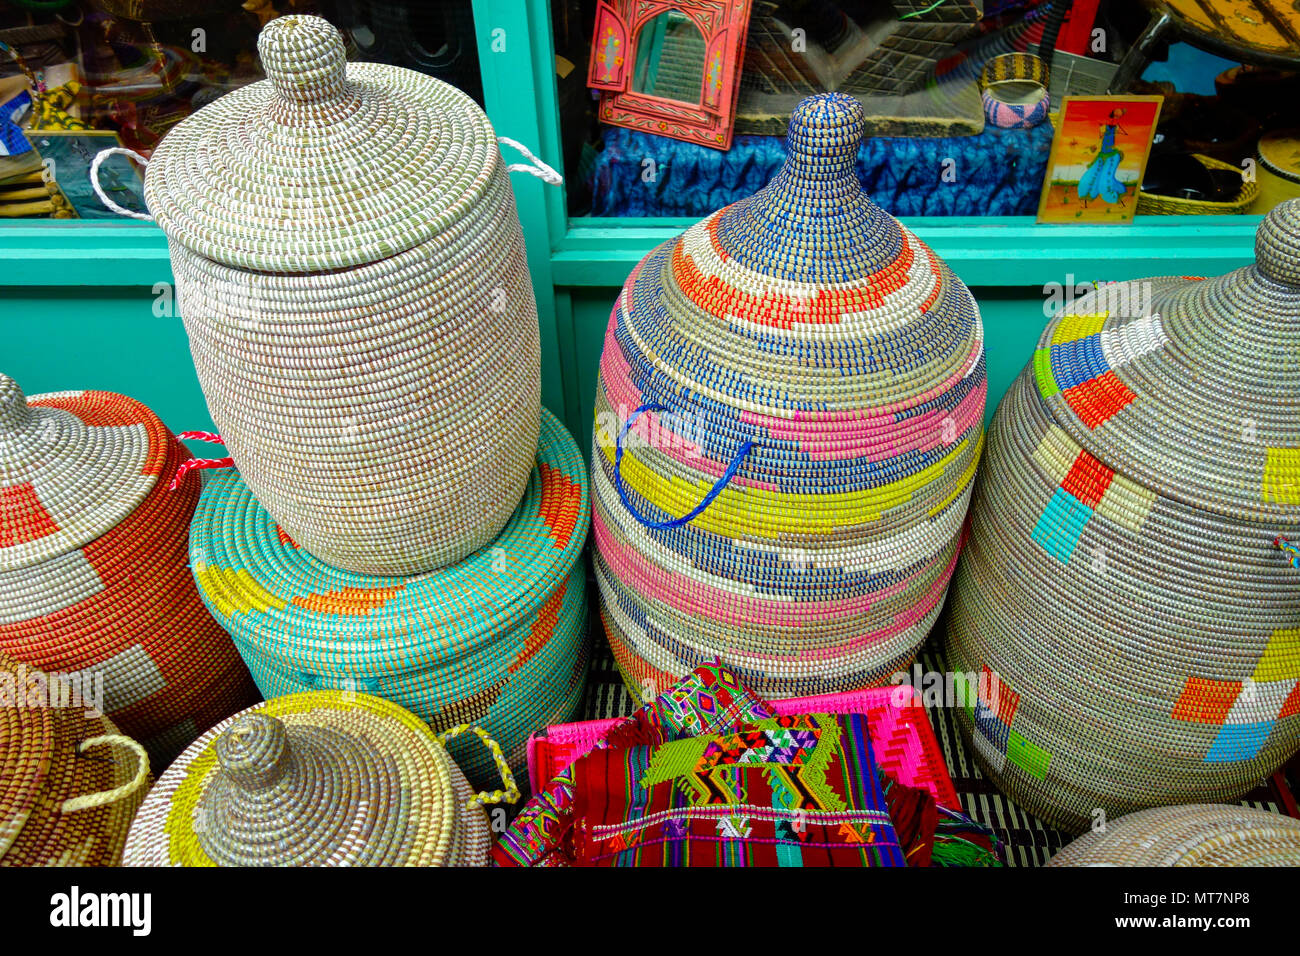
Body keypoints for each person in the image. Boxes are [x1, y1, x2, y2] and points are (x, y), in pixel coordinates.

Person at [1077, 108, 1129, 207]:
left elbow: (1124, 133)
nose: (1116, 118)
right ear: (1112, 115)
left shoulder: (1117, 127)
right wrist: (1094, 146)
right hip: (1102, 154)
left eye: (1119, 117)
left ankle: (1117, 196)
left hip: (1112, 155)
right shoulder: (1104, 126)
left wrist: (1117, 132)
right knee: (1091, 175)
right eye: (1116, 116)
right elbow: (1100, 139)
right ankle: (1086, 198)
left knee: (1105, 179)